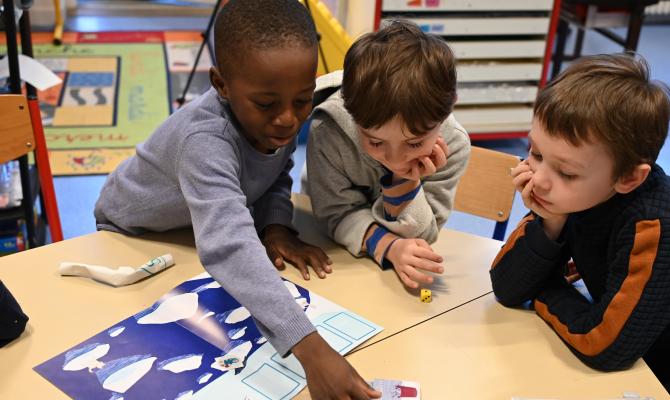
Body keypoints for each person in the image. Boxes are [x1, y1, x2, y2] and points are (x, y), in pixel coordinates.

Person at [94, 1, 380, 398]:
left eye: (302, 100)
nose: (287, 119)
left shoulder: (270, 119)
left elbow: (273, 170)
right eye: (266, 104)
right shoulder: (204, 142)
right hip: (129, 236)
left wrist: (277, 225)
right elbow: (228, 245)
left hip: (196, 230)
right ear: (221, 85)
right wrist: (311, 350)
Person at [490, 53, 670, 388]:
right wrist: (550, 223)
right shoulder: (575, 193)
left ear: (628, 179)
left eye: (566, 172)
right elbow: (506, 286)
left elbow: (603, 344)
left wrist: (544, 286)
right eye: (536, 153)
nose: (540, 179)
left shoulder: (653, 224)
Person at [303, 20, 471, 290]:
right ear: (352, 114)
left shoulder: (453, 145)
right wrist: (389, 246)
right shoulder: (328, 130)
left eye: (414, 144)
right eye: (375, 141)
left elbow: (425, 236)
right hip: (336, 254)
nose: (395, 159)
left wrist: (405, 183)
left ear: (448, 108)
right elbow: (334, 214)